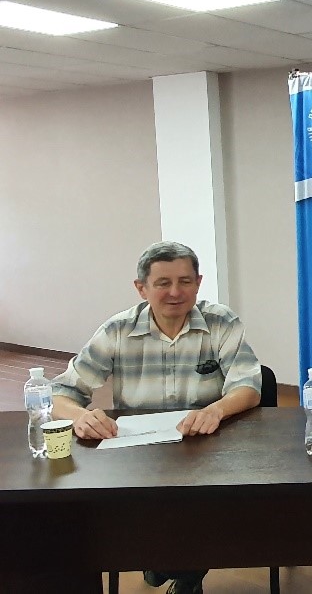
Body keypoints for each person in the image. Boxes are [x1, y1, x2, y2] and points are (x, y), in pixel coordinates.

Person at [52, 241, 262, 594]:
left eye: (185, 281)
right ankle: (174, 565)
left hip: (205, 446)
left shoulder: (221, 321)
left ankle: (174, 567)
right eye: (163, 283)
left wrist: (216, 409)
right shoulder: (118, 330)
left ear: (198, 282)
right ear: (142, 288)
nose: (175, 292)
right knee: (135, 514)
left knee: (207, 508)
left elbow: (249, 387)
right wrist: (79, 417)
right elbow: (62, 391)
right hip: (138, 453)